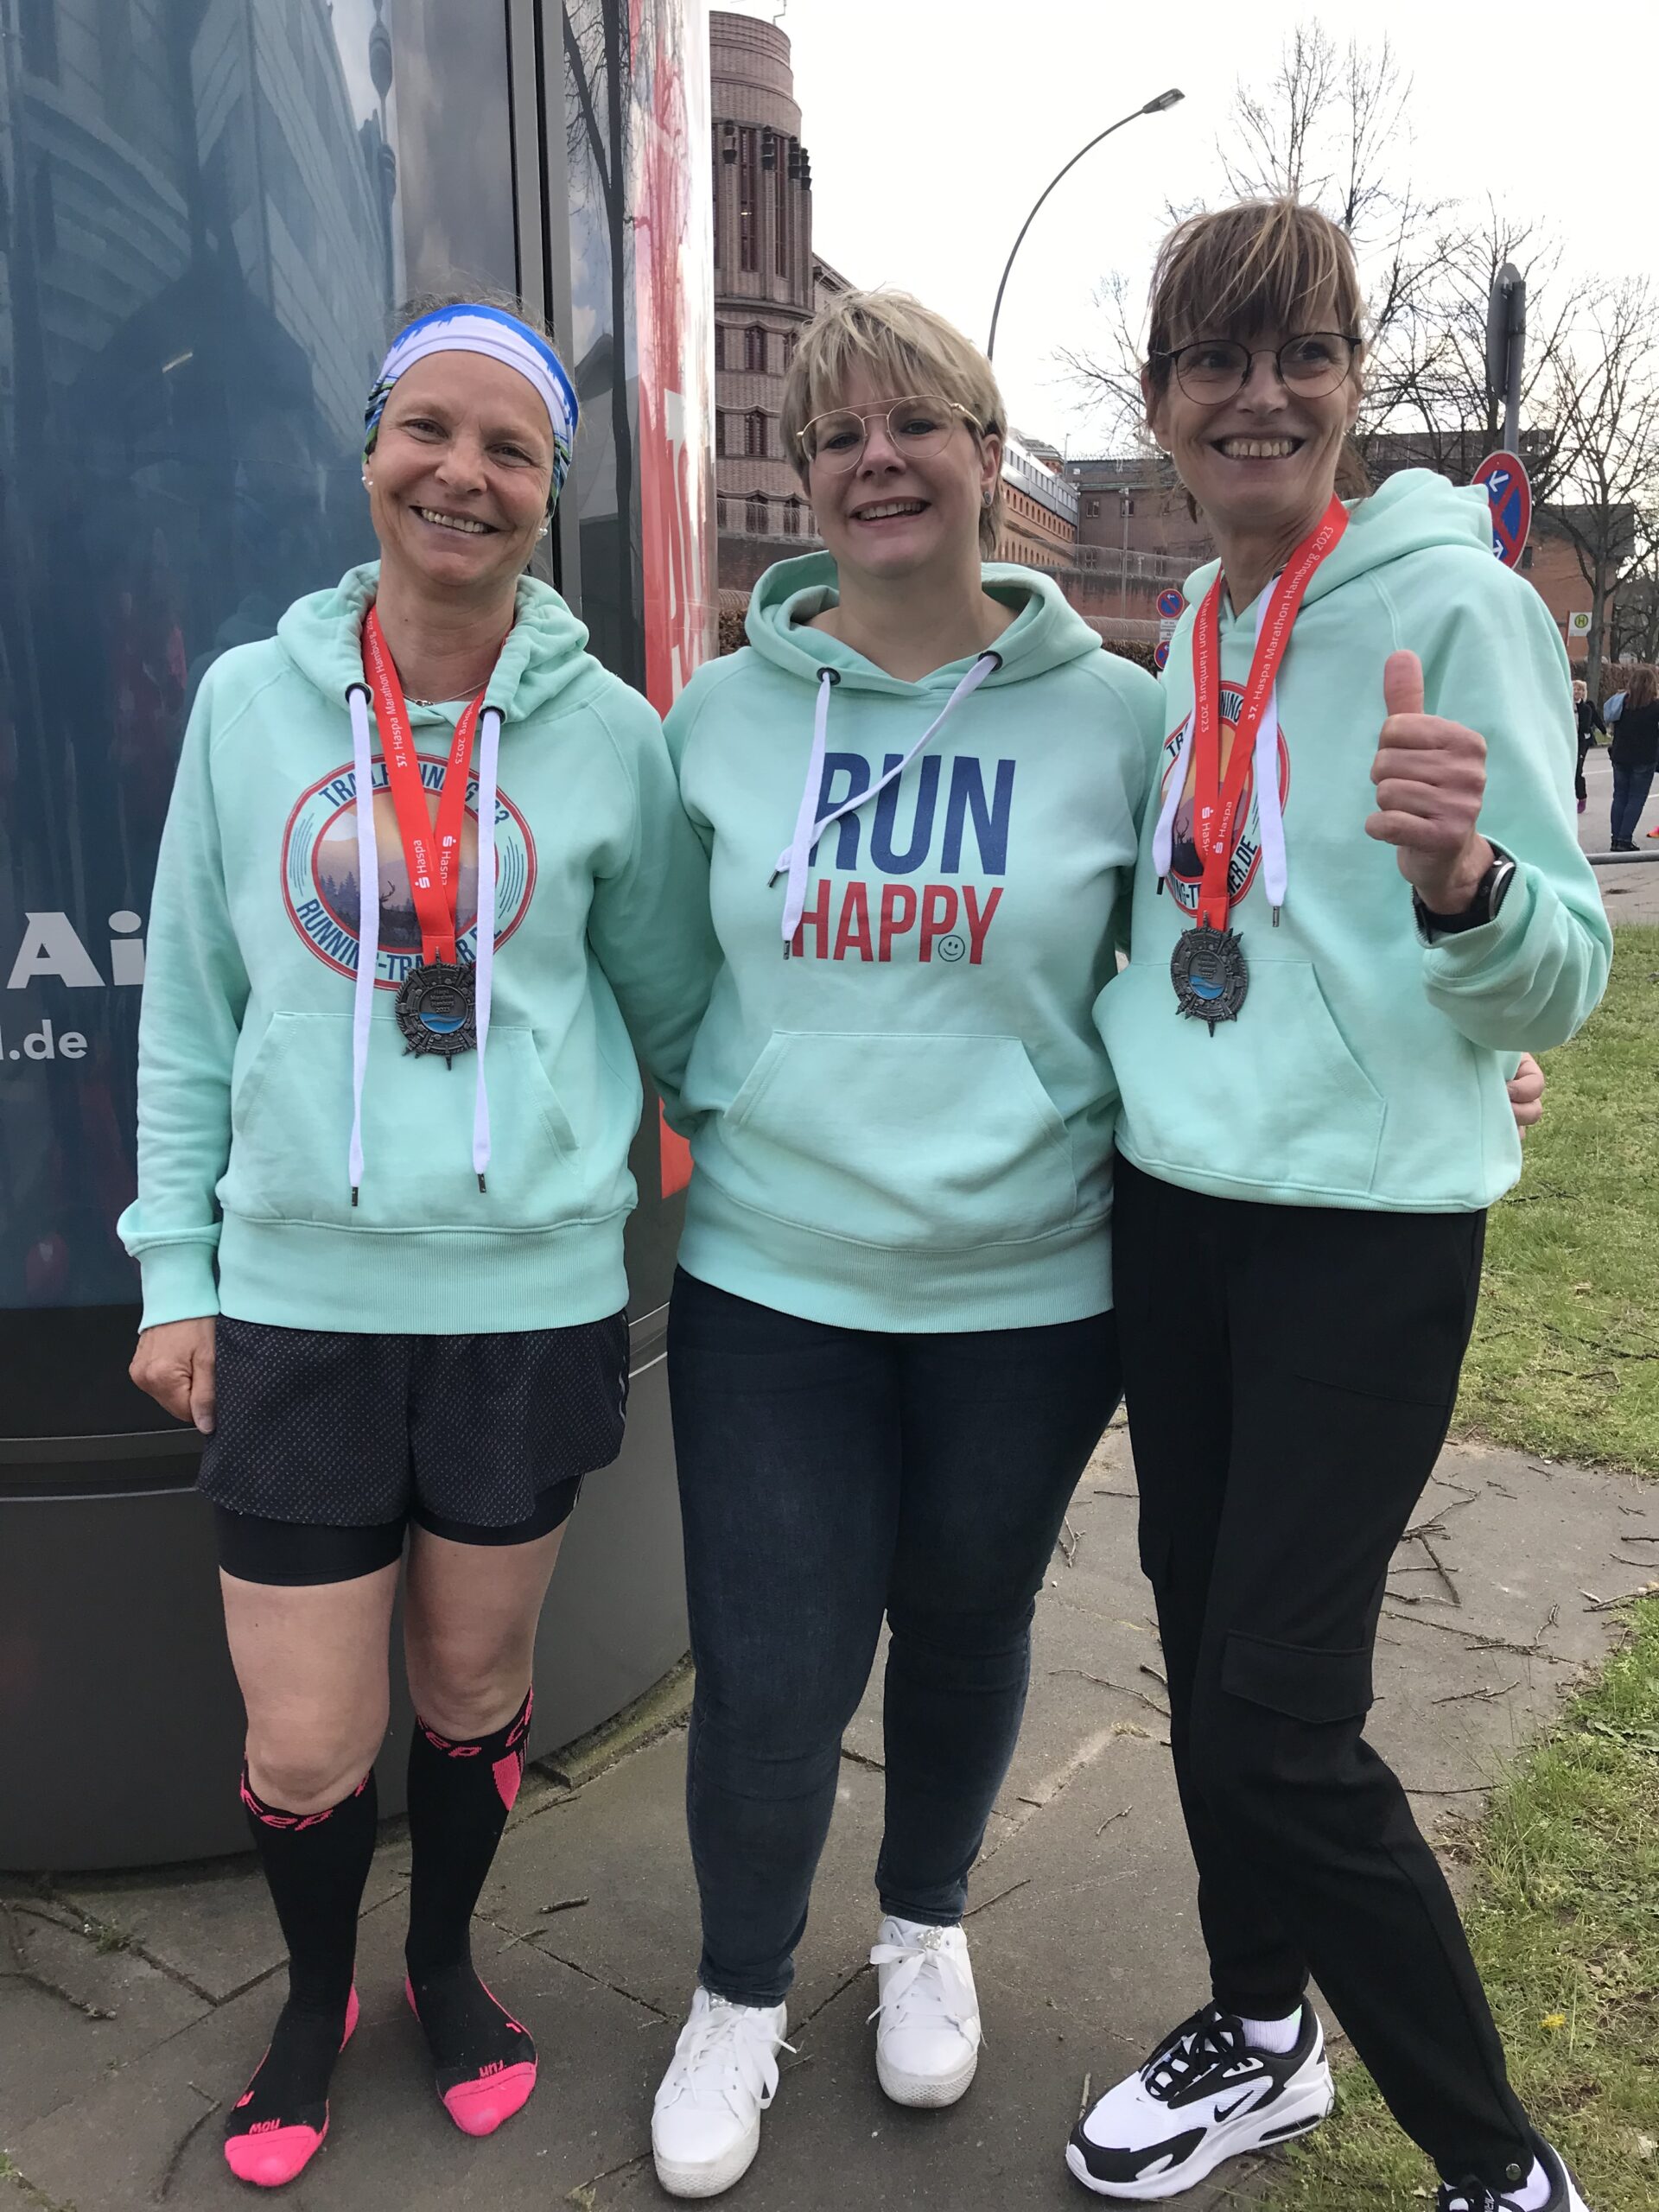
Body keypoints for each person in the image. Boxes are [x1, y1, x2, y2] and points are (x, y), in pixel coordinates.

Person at [120, 294, 716, 2189]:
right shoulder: (249, 704)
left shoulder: (610, 737)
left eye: (510, 448)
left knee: (468, 1693)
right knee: (307, 1738)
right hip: (295, 1304)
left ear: (549, 488)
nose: (463, 473)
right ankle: (314, 2003)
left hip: (523, 1306)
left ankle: (446, 1966)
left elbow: (685, 1014)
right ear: (372, 449)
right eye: (428, 432)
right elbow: (191, 1012)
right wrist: (175, 1272)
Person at [1070, 200, 1611, 2212]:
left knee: (1280, 1714)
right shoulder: (1199, 630)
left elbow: (1560, 969)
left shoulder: (1452, 604)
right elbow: (1198, 920)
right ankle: (1258, 2025)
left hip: (1362, 1241)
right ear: (1162, 402)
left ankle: (1498, 2165)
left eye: (1299, 352)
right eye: (1214, 360)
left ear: (1351, 381)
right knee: (1200, 1642)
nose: (1259, 395)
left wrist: (1468, 892)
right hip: (1176, 1215)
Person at [645, 291, 1164, 2198]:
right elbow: (662, 968)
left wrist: (1452, 1052)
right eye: (837, 432)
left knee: (966, 1622)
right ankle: (737, 1988)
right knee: (770, 1667)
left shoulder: (1118, 717)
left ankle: (925, 1921)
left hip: (1031, 1290)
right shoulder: (722, 717)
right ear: (804, 478)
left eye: (916, 422)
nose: (878, 457)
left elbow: (1221, 952)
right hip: (776, 1280)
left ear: (988, 457)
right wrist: (749, 1098)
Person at [1606, 662, 1658, 849]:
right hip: (1644, 758)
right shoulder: (1655, 706)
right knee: (1636, 798)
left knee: (1620, 797)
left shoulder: (1622, 703)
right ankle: (1624, 838)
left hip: (1620, 755)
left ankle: (1615, 838)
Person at [1571, 677, 1603, 814]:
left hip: (1580, 742)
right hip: (1567, 741)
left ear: (1583, 693)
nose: (1576, 691)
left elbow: (1585, 726)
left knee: (1577, 770)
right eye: (1574, 689)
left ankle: (1582, 797)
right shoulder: (1565, 706)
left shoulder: (1586, 709)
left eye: (1579, 690)